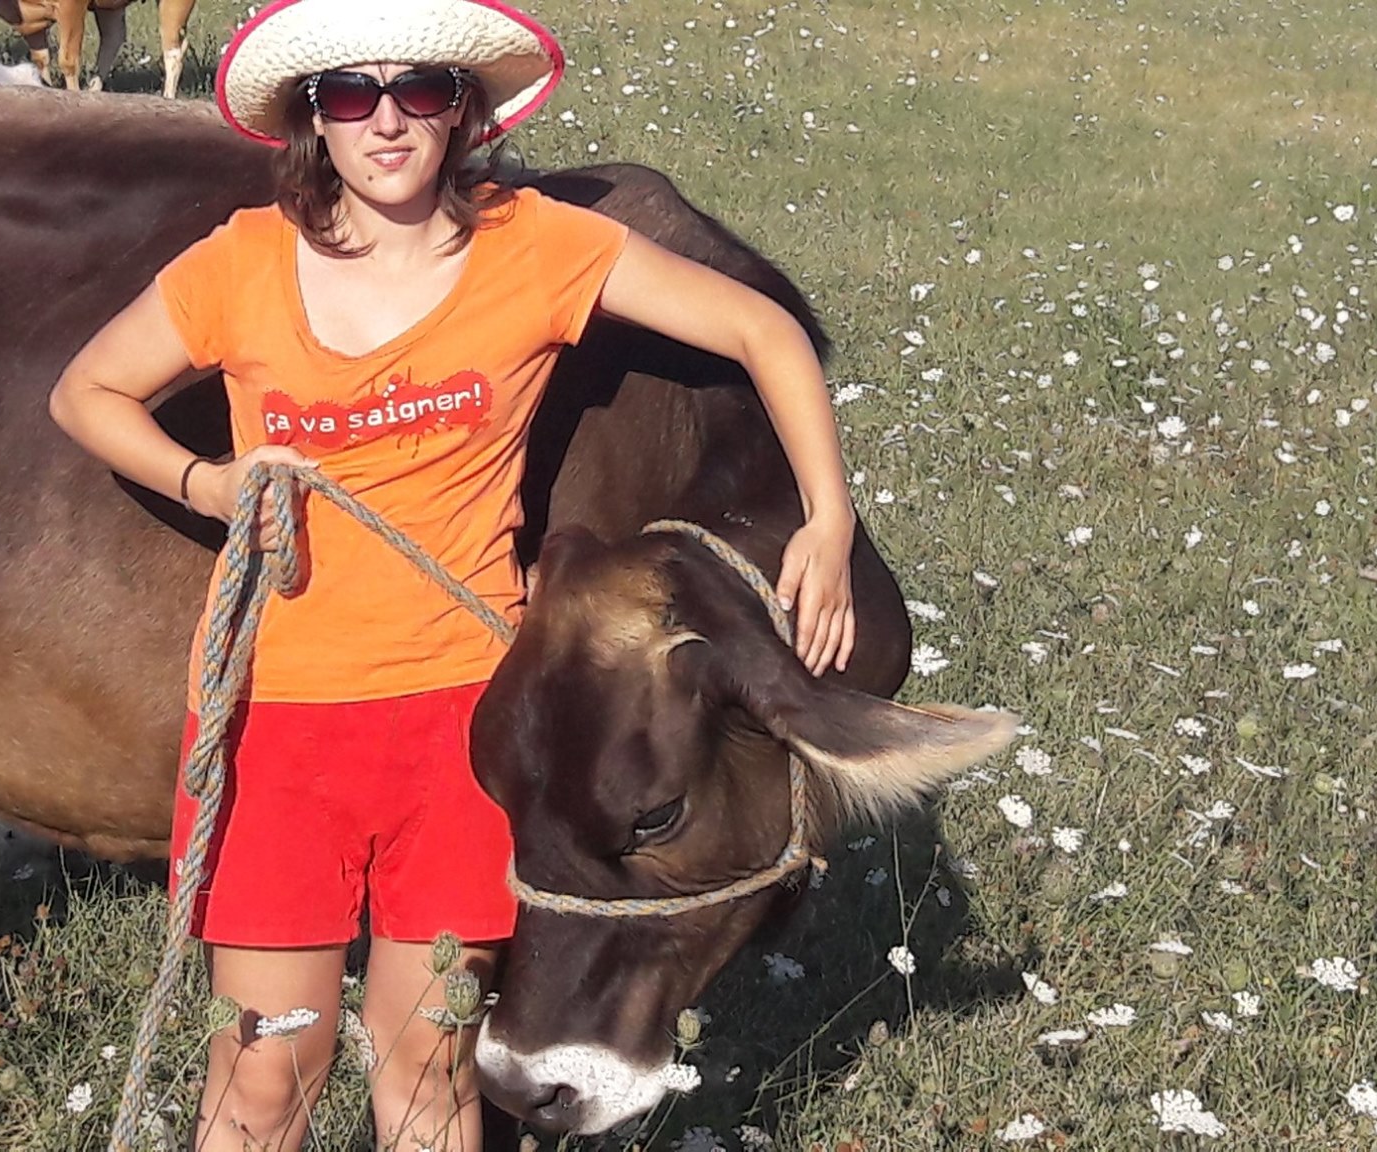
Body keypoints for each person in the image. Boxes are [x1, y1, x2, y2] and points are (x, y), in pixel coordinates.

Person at [48, 1, 859, 1147]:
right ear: (309, 120)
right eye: (349, 94)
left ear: (461, 110)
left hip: (464, 732)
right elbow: (85, 392)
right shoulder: (239, 265)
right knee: (268, 1074)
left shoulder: (535, 247)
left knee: (429, 1064)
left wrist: (825, 518)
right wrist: (209, 485)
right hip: (278, 724)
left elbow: (762, 330)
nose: (386, 120)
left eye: (420, 89)